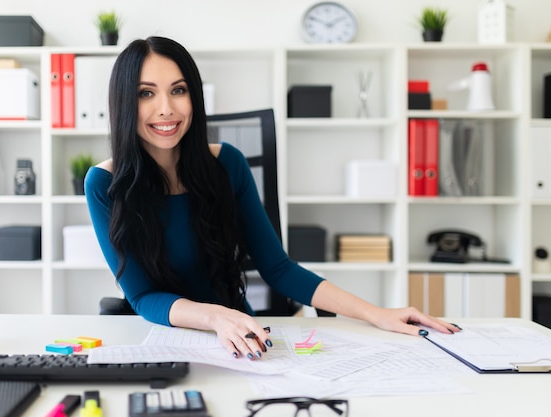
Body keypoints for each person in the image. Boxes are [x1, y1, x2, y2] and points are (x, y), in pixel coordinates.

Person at [85, 36, 459, 360]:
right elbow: (143, 295)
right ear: (123, 102)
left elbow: (278, 268)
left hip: (242, 335)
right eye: (146, 93)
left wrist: (376, 313)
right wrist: (215, 317)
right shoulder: (104, 183)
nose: (166, 108)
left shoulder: (226, 164)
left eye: (178, 90)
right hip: (166, 337)